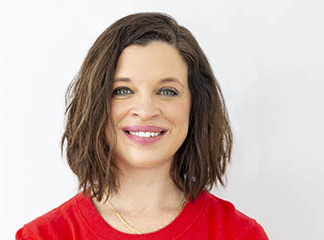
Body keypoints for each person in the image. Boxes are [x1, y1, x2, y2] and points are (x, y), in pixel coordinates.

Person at [15, 12, 269, 239]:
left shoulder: (239, 234)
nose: (146, 111)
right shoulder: (44, 236)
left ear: (196, 106)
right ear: (95, 104)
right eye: (123, 90)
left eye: (167, 91)